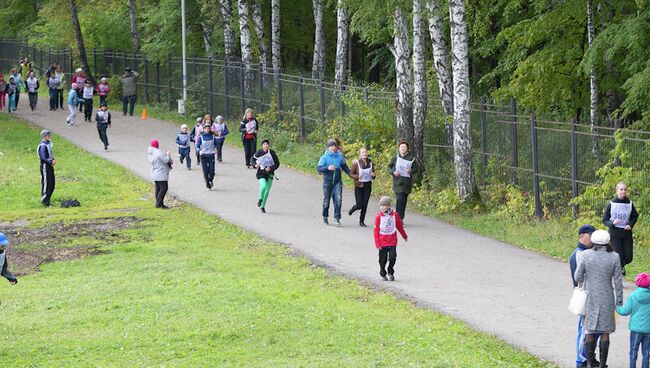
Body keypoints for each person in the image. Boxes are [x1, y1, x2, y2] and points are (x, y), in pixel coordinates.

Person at [574, 229, 624, 368]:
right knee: (605, 331)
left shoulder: (585, 255)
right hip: (607, 298)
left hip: (591, 297)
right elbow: (618, 282)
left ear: (594, 241)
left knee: (589, 330)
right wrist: (619, 301)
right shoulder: (614, 256)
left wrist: (585, 281)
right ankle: (602, 364)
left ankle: (590, 362)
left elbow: (577, 276)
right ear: (608, 241)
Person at [569, 224, 598, 368]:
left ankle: (587, 356)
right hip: (585, 296)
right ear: (582, 236)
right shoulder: (579, 254)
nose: (592, 239)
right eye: (590, 235)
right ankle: (581, 359)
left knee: (590, 329)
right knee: (584, 328)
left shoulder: (586, 252)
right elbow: (578, 278)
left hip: (590, 295)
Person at [602, 182, 639, 275]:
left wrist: (630, 224)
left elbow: (635, 216)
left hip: (626, 233)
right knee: (619, 255)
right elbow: (605, 220)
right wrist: (612, 223)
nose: (623, 191)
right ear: (617, 191)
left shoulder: (629, 203)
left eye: (625, 189)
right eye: (621, 189)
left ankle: (616, 266)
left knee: (628, 257)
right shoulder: (612, 203)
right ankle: (618, 271)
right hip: (615, 234)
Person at [616, 272, 650, 368]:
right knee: (646, 352)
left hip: (635, 329)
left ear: (637, 283)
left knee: (633, 350)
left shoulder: (633, 296)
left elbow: (625, 311)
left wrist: (617, 307)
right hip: (648, 330)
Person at [373, 196, 408, 281]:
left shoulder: (395, 215)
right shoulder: (378, 217)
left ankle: (390, 271)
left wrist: (404, 236)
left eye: (384, 205)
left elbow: (399, 227)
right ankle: (383, 272)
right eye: (381, 205)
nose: (382, 207)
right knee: (382, 260)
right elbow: (376, 231)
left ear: (389, 206)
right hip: (382, 241)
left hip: (392, 240)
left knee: (392, 257)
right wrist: (377, 243)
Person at [317, 139, 350, 226]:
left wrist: (351, 174)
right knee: (326, 200)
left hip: (337, 181)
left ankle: (337, 218)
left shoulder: (340, 156)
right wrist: (327, 168)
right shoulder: (324, 157)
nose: (333, 147)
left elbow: (344, 166)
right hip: (327, 182)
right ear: (328, 147)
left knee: (338, 199)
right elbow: (319, 169)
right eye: (331, 146)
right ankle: (325, 216)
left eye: (334, 146)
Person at [387, 141, 418, 221]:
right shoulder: (395, 157)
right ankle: (398, 218)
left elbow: (416, 169)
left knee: (403, 201)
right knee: (399, 199)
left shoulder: (411, 158)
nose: (403, 149)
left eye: (404, 147)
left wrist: (410, 170)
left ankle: (400, 217)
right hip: (397, 182)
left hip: (406, 183)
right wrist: (393, 172)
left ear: (407, 149)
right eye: (401, 147)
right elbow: (389, 167)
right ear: (399, 148)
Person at [348, 147, 376, 227]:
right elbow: (350, 174)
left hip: (367, 186)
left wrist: (373, 175)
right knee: (359, 205)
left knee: (365, 204)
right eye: (363, 152)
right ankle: (354, 208)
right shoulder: (356, 163)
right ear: (360, 154)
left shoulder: (370, 163)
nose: (364, 154)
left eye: (365, 152)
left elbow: (373, 174)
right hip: (359, 186)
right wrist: (357, 176)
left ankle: (361, 221)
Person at [252, 138, 280, 213]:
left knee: (267, 191)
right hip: (261, 173)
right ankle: (260, 198)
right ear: (262, 146)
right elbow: (252, 160)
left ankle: (262, 206)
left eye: (267, 144)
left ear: (269, 146)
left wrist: (270, 168)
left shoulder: (272, 153)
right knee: (263, 186)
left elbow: (277, 164)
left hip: (270, 174)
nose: (265, 146)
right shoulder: (259, 152)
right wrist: (255, 165)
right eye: (264, 144)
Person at [147, 139, 172, 209]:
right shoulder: (158, 152)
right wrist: (168, 154)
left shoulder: (150, 153)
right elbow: (166, 160)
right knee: (164, 188)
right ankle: (159, 203)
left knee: (158, 187)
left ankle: (158, 203)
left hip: (155, 172)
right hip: (161, 172)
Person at [195, 124, 217, 190]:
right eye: (206, 128)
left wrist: (215, 149)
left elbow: (216, 144)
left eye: (208, 128)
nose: (207, 129)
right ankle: (208, 185)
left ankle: (210, 180)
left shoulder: (213, 137)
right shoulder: (201, 137)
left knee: (212, 171)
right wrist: (199, 150)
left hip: (211, 155)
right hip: (203, 156)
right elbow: (197, 145)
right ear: (203, 129)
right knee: (205, 171)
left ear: (210, 129)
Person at [38, 130, 56, 207]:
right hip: (45, 166)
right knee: (46, 183)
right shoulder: (42, 145)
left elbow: (50, 154)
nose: (49, 136)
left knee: (52, 183)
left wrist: (53, 159)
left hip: (50, 166)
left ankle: (48, 198)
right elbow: (43, 157)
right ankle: (45, 201)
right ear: (44, 136)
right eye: (47, 135)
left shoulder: (48, 143)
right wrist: (50, 162)